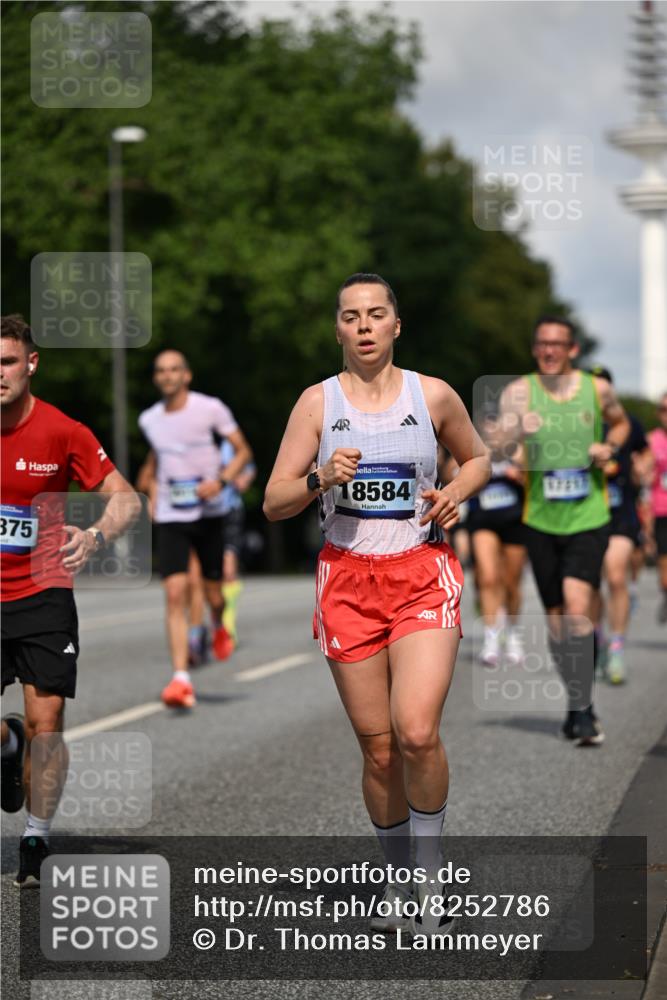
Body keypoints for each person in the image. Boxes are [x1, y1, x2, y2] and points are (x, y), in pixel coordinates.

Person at [264, 274, 490, 934]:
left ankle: (428, 877)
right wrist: (317, 477)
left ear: (396, 324)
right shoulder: (316, 403)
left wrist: (456, 491)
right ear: (337, 329)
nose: (363, 326)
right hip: (347, 582)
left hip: (421, 571)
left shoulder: (433, 395)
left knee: (415, 730)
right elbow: (274, 502)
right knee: (379, 749)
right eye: (350, 316)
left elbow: (476, 459)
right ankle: (394, 882)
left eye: (375, 314)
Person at [0, 314, 139, 886]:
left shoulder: (62, 431)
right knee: (23, 733)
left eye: (7, 361)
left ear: (31, 364)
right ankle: (9, 744)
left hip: (42, 589)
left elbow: (125, 498)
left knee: (48, 722)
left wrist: (97, 534)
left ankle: (36, 834)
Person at [499, 318, 630, 746]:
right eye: (542, 345)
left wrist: (607, 447)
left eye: (558, 345)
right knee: (557, 623)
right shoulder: (519, 392)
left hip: (589, 516)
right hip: (540, 519)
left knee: (577, 607)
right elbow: (499, 444)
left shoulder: (597, 390)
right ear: (535, 349)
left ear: (573, 350)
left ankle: (584, 709)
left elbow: (622, 424)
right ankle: (576, 701)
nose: (550, 352)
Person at [138, 350, 252, 709]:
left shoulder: (210, 408)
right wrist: (154, 493)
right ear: (156, 378)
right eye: (161, 371)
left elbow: (242, 452)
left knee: (213, 594)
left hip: (210, 512)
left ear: (186, 375)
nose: (168, 376)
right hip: (173, 516)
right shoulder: (149, 419)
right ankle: (180, 678)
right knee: (174, 592)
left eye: (174, 370)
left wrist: (221, 481)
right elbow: (159, 460)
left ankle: (218, 624)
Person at [587, 366, 649, 684]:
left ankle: (617, 647)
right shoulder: (578, 425)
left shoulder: (629, 424)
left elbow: (645, 453)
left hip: (620, 513)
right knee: (593, 584)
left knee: (615, 575)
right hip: (586, 516)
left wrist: (642, 471)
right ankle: (596, 638)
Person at [465, 419, 527, 667]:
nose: (492, 433)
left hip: (516, 521)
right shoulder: (475, 451)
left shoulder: (517, 450)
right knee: (488, 577)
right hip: (483, 521)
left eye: (497, 428)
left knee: (511, 583)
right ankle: (491, 639)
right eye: (487, 429)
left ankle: (512, 632)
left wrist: (518, 473)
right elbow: (450, 472)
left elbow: (536, 479)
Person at [645, 391, 667, 623]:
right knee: (665, 577)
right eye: (663, 409)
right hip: (662, 512)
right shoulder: (653, 441)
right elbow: (643, 475)